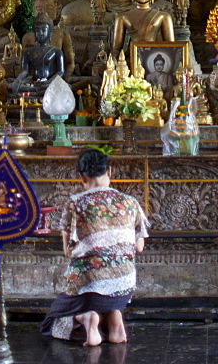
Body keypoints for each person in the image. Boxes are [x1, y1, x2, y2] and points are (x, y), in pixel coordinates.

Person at [41, 148, 148, 346]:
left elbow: (68, 252)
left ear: (81, 176)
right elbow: (139, 247)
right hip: (124, 288)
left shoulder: (75, 203)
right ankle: (114, 318)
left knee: (51, 322)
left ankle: (87, 318)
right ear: (109, 171)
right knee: (108, 301)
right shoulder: (130, 202)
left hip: (88, 287)